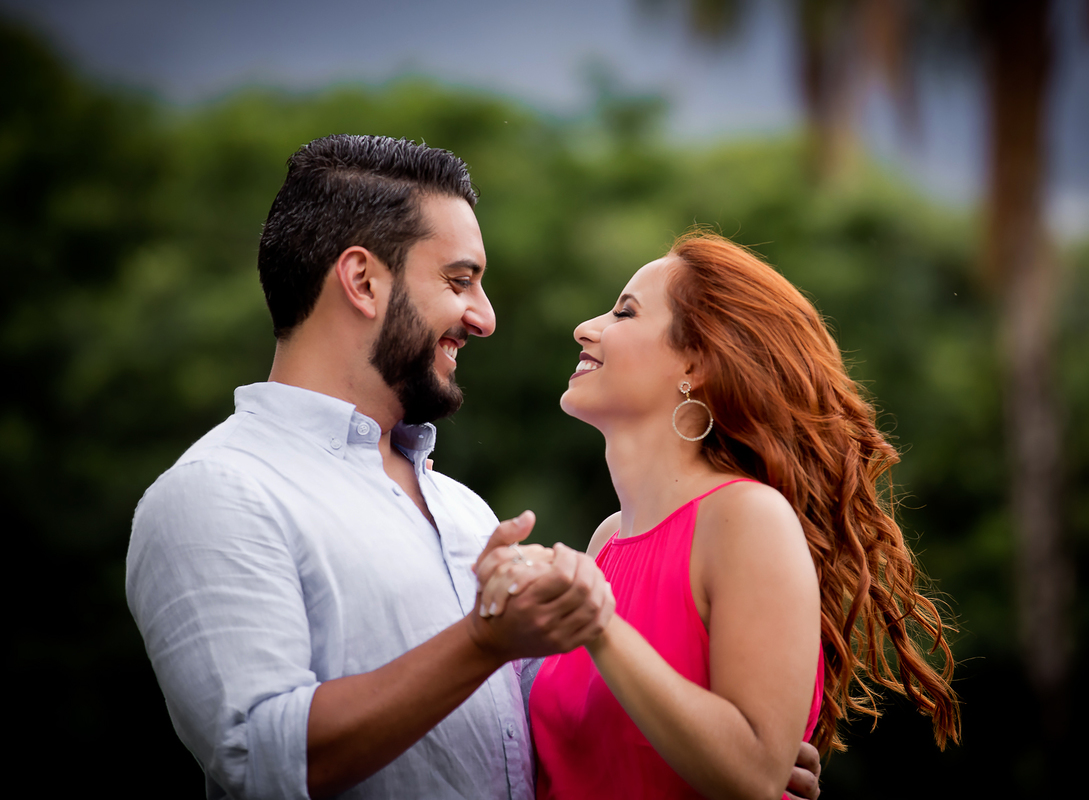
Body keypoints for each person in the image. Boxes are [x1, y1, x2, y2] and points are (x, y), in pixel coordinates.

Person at [125, 135, 821, 800]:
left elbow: (531, 735)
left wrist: (729, 756)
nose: (484, 318)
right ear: (362, 281)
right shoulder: (219, 493)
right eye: (460, 281)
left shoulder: (464, 511)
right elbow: (260, 760)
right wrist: (481, 645)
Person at [478, 231, 960, 799]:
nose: (586, 328)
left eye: (624, 313)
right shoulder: (608, 540)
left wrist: (598, 624)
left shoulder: (745, 517)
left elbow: (753, 774)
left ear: (697, 361)